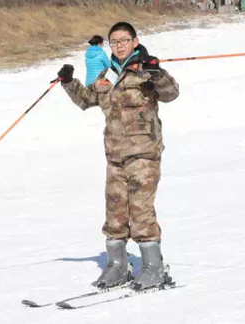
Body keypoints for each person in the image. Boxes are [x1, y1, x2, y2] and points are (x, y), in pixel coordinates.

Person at [56, 21, 179, 291]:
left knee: (140, 210)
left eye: (125, 40)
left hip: (143, 154)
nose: (120, 45)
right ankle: (117, 266)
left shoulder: (146, 69)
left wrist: (157, 73)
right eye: (115, 41)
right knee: (114, 213)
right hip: (115, 155)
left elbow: (171, 93)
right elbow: (87, 99)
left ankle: (154, 268)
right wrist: (68, 82)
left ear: (135, 42)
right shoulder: (106, 74)